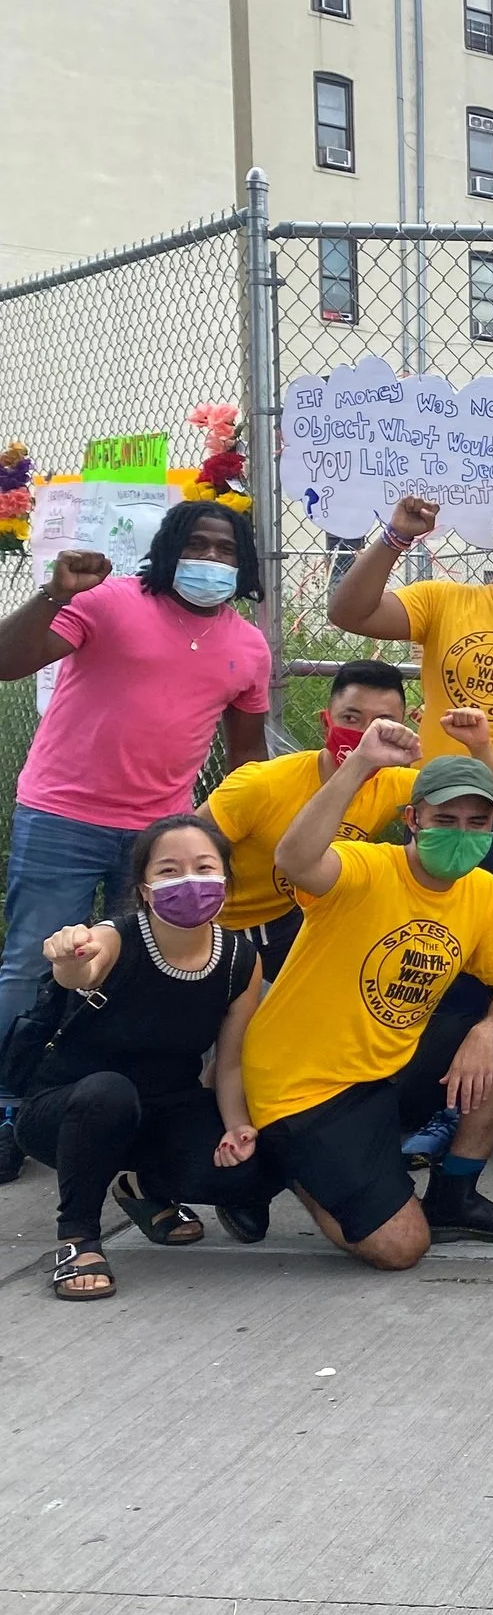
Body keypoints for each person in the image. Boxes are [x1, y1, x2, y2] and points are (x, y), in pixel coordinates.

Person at [0, 502, 270, 1183]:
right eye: (197, 544)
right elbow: (8, 662)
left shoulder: (249, 646)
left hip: (159, 837)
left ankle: (111, 1099)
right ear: (169, 548)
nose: (211, 559)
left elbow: (247, 757)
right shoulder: (108, 602)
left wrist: (228, 837)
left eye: (226, 549)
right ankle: (9, 1104)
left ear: (243, 564)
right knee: (33, 962)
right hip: (61, 814)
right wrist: (54, 594)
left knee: (140, 974)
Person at [327, 487, 493, 1168]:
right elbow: (348, 611)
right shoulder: (445, 602)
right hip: (449, 818)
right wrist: (396, 537)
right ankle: (447, 1108)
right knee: (442, 962)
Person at [240, 725, 493, 1268]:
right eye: (445, 820)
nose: (462, 834)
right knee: (400, 1248)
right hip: (306, 1085)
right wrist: (360, 764)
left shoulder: (483, 891)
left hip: (391, 1066)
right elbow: (294, 859)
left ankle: (454, 1196)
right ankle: (283, 1163)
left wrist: (485, 1032)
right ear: (412, 819)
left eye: (477, 822)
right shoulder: (364, 868)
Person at [13, 814, 277, 1299]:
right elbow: (81, 972)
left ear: (225, 880)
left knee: (246, 1170)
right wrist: (68, 956)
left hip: (163, 1109)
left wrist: (237, 1126)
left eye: (204, 867)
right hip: (69, 1110)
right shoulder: (118, 938)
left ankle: (142, 1188)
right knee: (108, 1093)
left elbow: (230, 1061)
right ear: (144, 889)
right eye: (169, 870)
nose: (189, 881)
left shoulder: (240, 959)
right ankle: (77, 1239)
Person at [201, 662, 493, 964]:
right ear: (326, 722)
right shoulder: (261, 784)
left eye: (383, 722)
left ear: (403, 730)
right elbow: (185, 842)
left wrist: (480, 747)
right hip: (226, 925)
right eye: (351, 718)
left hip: (299, 916)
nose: (367, 733)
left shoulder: (391, 783)